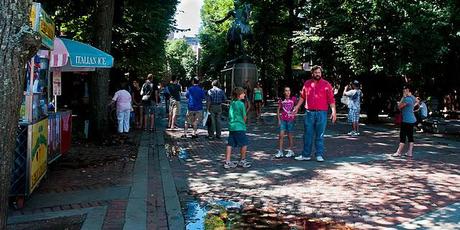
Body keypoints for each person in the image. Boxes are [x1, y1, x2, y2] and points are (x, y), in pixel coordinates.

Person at [293, 65, 336, 162]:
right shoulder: (307, 83)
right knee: (307, 134)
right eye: (316, 72)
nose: (317, 74)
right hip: (309, 113)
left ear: (321, 73)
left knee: (320, 135)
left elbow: (331, 99)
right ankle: (306, 155)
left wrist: (334, 112)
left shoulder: (326, 84)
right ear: (312, 73)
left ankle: (319, 154)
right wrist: (297, 107)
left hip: (322, 113)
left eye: (319, 72)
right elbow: (302, 96)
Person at [224, 87, 251, 169]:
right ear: (239, 95)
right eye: (243, 93)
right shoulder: (241, 104)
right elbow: (244, 116)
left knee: (230, 144)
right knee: (244, 144)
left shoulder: (232, 103)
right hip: (240, 126)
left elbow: (229, 115)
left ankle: (227, 161)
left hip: (232, 126)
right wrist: (244, 122)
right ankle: (242, 160)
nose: (244, 94)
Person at [392, 85, 416, 157]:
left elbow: (399, 107)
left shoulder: (406, 99)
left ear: (408, 91)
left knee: (403, 136)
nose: (404, 91)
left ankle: (399, 152)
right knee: (410, 136)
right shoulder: (412, 98)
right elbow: (417, 101)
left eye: (405, 90)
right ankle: (410, 152)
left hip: (406, 120)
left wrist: (403, 97)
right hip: (412, 120)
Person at [275, 87, 297, 158]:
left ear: (290, 92)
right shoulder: (281, 100)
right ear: (284, 92)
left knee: (289, 135)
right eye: (286, 91)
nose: (287, 92)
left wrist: (294, 114)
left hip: (290, 120)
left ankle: (291, 150)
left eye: (289, 91)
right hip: (283, 120)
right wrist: (278, 119)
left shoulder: (293, 99)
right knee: (281, 135)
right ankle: (280, 151)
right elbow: (278, 110)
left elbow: (297, 107)